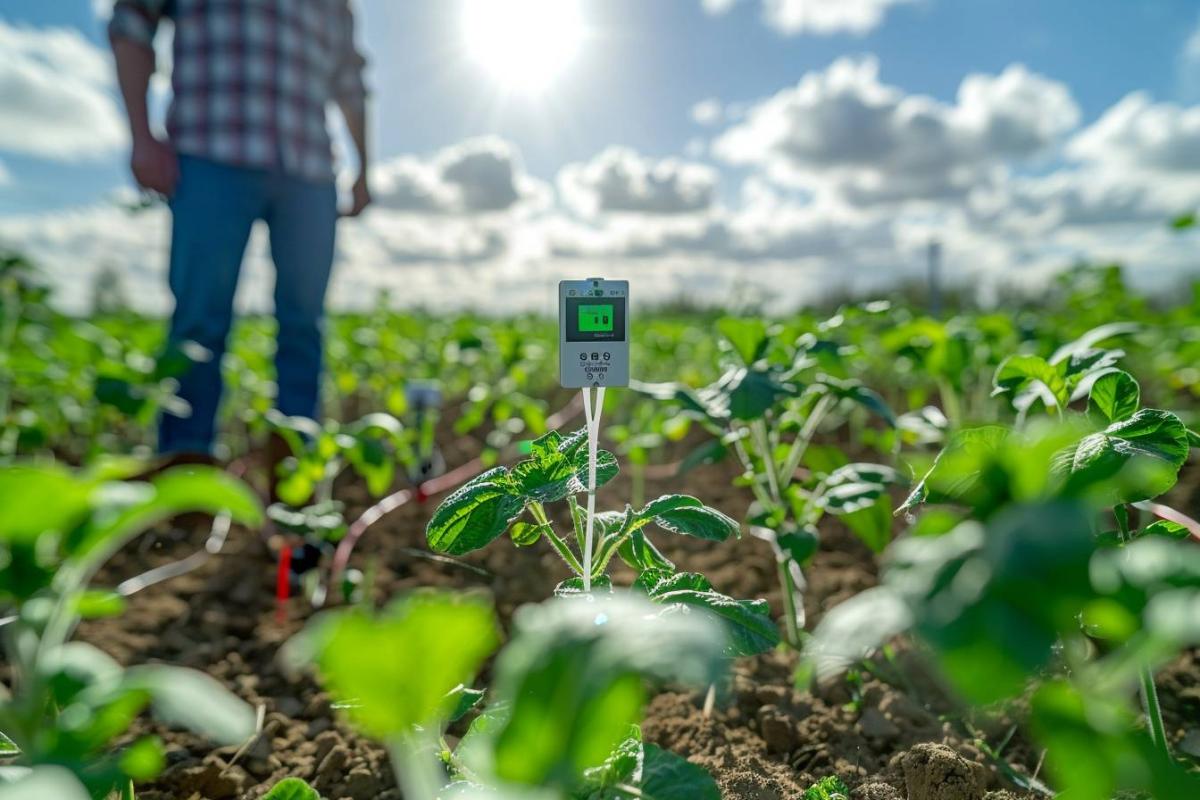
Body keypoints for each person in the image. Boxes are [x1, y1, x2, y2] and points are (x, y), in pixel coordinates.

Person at [108, 0, 371, 463]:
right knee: (199, 321)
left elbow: (348, 79)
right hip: (210, 153)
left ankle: (295, 465)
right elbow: (131, 22)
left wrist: (364, 167)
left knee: (304, 323)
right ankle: (185, 466)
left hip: (308, 168)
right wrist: (141, 135)